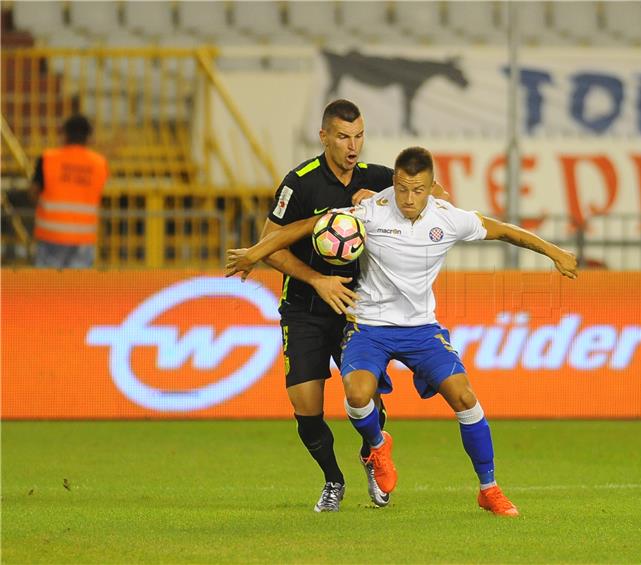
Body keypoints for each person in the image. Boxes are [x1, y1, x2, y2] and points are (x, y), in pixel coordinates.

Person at [225, 146, 578, 516]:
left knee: (465, 397)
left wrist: (555, 252)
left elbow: (505, 231)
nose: (409, 199)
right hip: (370, 327)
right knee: (357, 393)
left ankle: (488, 489)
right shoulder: (369, 211)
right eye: (404, 189)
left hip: (422, 329)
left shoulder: (448, 218)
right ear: (394, 182)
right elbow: (306, 226)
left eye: (419, 190)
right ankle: (378, 446)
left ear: (432, 187)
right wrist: (255, 252)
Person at [248, 100, 447, 512]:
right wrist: (318, 280)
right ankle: (333, 480)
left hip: (359, 308)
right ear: (324, 137)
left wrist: (383, 198)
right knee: (305, 405)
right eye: (343, 136)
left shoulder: (378, 179)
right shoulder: (299, 183)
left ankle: (373, 458)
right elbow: (268, 247)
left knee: (366, 395)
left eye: (358, 136)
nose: (352, 146)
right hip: (304, 306)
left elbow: (437, 196)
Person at [29, 114, 108, 268]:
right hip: (83, 239)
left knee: (46, 288)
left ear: (64, 134)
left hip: (50, 236)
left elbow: (33, 192)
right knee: (76, 289)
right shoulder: (99, 164)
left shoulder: (48, 159)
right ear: (88, 137)